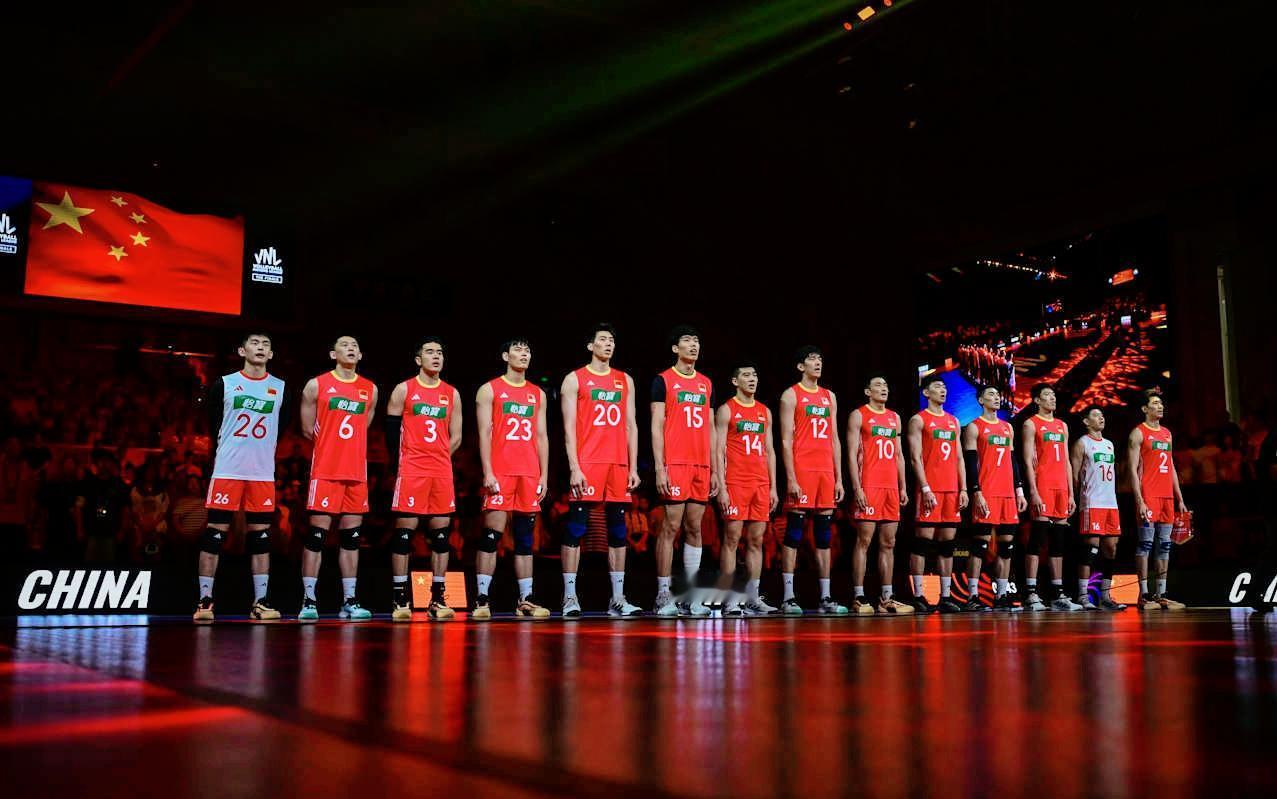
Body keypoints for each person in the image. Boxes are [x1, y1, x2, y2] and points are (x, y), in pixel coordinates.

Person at [193, 332, 286, 621]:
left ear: (271, 354)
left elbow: (281, 427)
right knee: (215, 534)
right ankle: (204, 602)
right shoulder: (225, 383)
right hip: (228, 470)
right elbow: (213, 423)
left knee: (261, 537)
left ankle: (260, 602)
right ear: (242, 350)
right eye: (254, 343)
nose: (260, 347)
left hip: (262, 473)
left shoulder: (280, 387)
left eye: (266, 344)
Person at [560, 323, 642, 618]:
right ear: (590, 346)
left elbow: (631, 425)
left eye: (612, 340)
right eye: (603, 339)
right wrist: (574, 467)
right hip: (589, 462)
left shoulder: (625, 380)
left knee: (618, 530)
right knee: (576, 527)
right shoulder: (574, 379)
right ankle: (570, 597)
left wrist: (633, 466)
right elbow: (569, 428)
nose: (609, 344)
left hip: (617, 464)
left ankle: (617, 599)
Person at [298, 335, 378, 621]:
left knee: (351, 540)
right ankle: (309, 600)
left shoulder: (370, 389)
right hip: (326, 471)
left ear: (360, 355)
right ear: (333, 354)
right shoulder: (316, 385)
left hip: (355, 473)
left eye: (355, 346)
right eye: (345, 345)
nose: (351, 348)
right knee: (316, 537)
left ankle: (349, 601)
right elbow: (308, 430)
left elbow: (364, 426)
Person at [472, 337, 552, 619]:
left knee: (525, 539)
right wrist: (488, 471)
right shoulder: (489, 390)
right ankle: (482, 600)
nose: (524, 354)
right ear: (505, 356)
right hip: (501, 471)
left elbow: (541, 436)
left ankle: (525, 600)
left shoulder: (537, 394)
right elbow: (484, 433)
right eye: (518, 350)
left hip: (528, 472)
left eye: (527, 350)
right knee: (492, 535)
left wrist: (543, 474)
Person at [385, 336, 461, 621]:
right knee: (404, 536)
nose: (436, 356)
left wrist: (438, 456)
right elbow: (391, 433)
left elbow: (456, 436)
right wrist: (404, 461)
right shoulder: (404, 389)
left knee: (441, 538)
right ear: (418, 360)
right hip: (411, 470)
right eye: (429, 352)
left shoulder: (451, 393)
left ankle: (437, 599)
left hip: (440, 472)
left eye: (439, 352)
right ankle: (400, 599)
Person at [652, 325, 718, 617]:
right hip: (676, 463)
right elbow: (656, 426)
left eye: (697, 341)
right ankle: (663, 594)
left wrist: (715, 469)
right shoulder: (663, 380)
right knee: (670, 526)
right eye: (687, 341)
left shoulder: (706, 383)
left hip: (701, 465)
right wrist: (660, 467)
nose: (694, 345)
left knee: (695, 527)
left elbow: (712, 428)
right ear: (675, 348)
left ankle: (691, 595)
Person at [777, 346, 846, 615]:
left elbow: (835, 439)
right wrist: (791, 477)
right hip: (803, 469)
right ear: (800, 366)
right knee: (794, 533)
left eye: (820, 359)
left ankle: (825, 597)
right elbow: (786, 440)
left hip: (825, 472)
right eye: (811, 359)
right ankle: (788, 597)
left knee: (824, 535)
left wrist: (838, 478)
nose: (818, 363)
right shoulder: (790, 395)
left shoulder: (830, 396)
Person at [714, 360, 780, 616]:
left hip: (760, 483)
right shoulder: (727, 410)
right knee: (732, 539)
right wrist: (721, 486)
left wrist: (773, 487)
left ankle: (752, 597)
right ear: (735, 381)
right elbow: (718, 450)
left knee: (756, 540)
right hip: (736, 482)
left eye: (754, 375)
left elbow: (770, 451)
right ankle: (730, 598)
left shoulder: (764, 411)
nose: (752, 379)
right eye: (746, 375)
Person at [847, 374, 913, 614]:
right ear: (868, 391)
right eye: (878, 385)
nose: (884, 388)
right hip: (869, 484)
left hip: (890, 487)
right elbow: (851, 454)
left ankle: (887, 598)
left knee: (889, 542)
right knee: (864, 541)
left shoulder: (895, 417)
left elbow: (899, 455)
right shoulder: (859, 415)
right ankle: (858, 596)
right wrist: (857, 488)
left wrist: (902, 486)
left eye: (886, 384)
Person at [962, 385, 1028, 612]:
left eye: (998, 395)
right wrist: (976, 492)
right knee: (980, 545)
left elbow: (1013, 461)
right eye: (991, 394)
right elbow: (971, 463)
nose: (996, 398)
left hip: (1007, 494)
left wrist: (1019, 491)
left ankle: (1001, 596)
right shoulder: (974, 427)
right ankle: (972, 596)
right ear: (981, 400)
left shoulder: (1007, 427)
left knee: (1006, 546)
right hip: (987, 492)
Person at [906, 375, 967, 614]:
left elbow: (959, 458)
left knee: (947, 545)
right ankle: (918, 596)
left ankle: (945, 596)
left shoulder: (953, 422)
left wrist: (963, 489)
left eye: (944, 387)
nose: (943, 390)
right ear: (926, 393)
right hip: (930, 489)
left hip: (951, 490)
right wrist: (925, 488)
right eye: (937, 387)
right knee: (922, 542)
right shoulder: (918, 420)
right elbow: (915, 458)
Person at [1020, 383, 1081, 612]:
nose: (1052, 398)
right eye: (1047, 395)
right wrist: (1033, 491)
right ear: (1037, 400)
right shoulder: (1031, 424)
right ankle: (1030, 593)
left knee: (1058, 542)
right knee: (1037, 539)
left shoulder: (1062, 425)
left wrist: (1071, 493)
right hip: (1043, 486)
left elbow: (1066, 461)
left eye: (1054, 395)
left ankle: (1057, 594)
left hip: (1061, 489)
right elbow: (1027, 461)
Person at [1128, 390, 1188, 610]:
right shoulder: (1138, 433)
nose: (1160, 406)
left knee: (1165, 546)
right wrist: (1140, 500)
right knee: (1145, 544)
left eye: (1161, 403)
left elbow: (1171, 467)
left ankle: (1161, 594)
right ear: (1145, 409)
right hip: (1149, 495)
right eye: (1155, 403)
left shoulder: (1167, 433)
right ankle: (1144, 595)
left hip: (1167, 498)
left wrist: (1179, 498)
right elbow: (1132, 470)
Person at [1070, 406, 1126, 611]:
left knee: (1111, 548)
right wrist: (1076, 498)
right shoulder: (1082, 443)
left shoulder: (1109, 444)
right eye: (1095, 415)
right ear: (1086, 421)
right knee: (1090, 549)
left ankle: (1105, 596)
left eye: (1102, 415)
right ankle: (1082, 596)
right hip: (1092, 502)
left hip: (1110, 503)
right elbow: (1074, 475)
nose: (1101, 418)